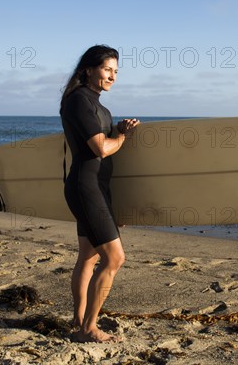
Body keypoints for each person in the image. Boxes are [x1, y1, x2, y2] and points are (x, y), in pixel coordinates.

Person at [60, 45, 140, 343]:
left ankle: (79, 319)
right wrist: (122, 136)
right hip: (87, 188)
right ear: (88, 69)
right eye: (107, 69)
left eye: (116, 71)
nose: (112, 76)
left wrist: (115, 128)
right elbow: (101, 148)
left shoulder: (96, 106)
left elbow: (99, 135)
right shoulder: (80, 100)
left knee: (88, 256)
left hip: (95, 188)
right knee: (115, 258)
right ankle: (89, 328)